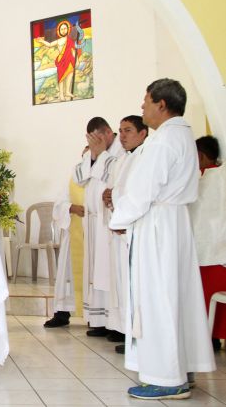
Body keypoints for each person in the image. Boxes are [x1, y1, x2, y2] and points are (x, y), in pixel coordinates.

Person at [109, 78, 215, 399]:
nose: (142, 107)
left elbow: (142, 192)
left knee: (158, 300)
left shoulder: (161, 142)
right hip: (175, 224)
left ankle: (167, 377)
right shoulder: (183, 135)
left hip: (157, 227)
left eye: (146, 101)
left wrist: (119, 218)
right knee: (176, 296)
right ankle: (182, 367)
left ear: (162, 105)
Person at [101, 115, 148, 353]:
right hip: (120, 226)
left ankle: (136, 335)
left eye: (128, 130)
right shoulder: (122, 159)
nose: (123, 135)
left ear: (143, 133)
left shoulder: (145, 157)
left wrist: (116, 201)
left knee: (133, 284)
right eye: (120, 131)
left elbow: (139, 192)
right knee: (122, 282)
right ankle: (126, 331)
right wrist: (107, 195)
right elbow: (114, 187)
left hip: (133, 228)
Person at [73, 117, 123, 336]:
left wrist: (100, 154)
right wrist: (93, 155)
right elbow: (80, 178)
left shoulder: (121, 152)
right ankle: (99, 320)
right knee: (96, 272)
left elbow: (109, 174)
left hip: (109, 221)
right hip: (93, 222)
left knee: (109, 272)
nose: (96, 142)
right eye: (92, 139)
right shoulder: (94, 153)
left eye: (100, 138)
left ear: (109, 133)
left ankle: (115, 324)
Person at [188, 135, 226, 352]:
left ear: (200, 156)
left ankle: (207, 337)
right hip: (219, 247)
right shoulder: (221, 174)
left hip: (203, 249)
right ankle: (215, 336)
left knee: (205, 296)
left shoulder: (199, 178)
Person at [44, 149, 87, 328]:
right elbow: (59, 205)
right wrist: (71, 208)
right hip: (75, 233)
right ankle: (62, 312)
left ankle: (97, 317)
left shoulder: (105, 177)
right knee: (67, 273)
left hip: (96, 237)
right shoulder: (73, 178)